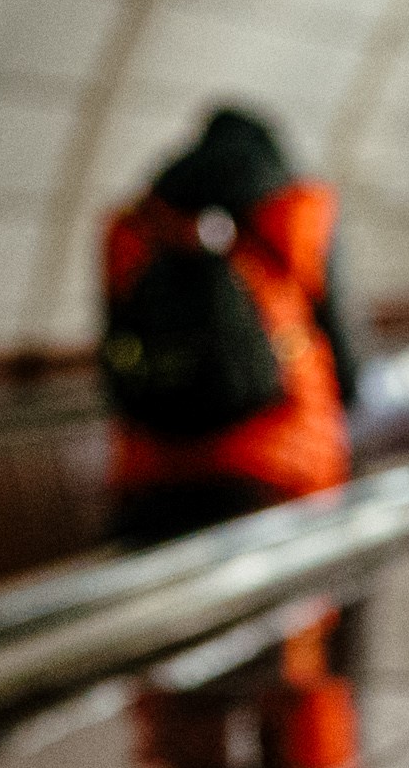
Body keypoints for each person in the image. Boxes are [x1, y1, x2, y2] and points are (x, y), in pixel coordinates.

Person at [97, 105, 356, 545]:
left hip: (154, 471)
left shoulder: (137, 225)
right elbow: (347, 357)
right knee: (295, 604)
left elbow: (115, 342)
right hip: (283, 459)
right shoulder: (297, 212)